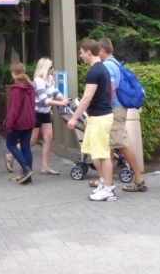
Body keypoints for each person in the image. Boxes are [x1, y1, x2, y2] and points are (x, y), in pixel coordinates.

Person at [67, 39, 116, 202]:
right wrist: (92, 114)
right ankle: (103, 182)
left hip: (100, 118)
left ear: (89, 52)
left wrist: (74, 117)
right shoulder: (101, 69)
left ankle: (108, 189)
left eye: (81, 52)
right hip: (97, 116)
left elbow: (87, 98)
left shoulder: (94, 72)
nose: (80, 56)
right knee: (92, 151)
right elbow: (111, 90)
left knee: (102, 154)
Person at [97, 38, 148, 192]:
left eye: (97, 52)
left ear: (102, 51)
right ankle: (105, 179)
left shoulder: (107, 65)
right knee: (112, 145)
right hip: (119, 107)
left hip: (115, 108)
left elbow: (111, 88)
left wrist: (107, 106)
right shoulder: (116, 63)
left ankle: (139, 180)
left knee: (122, 144)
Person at [4, 62, 36, 184]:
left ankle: (25, 168)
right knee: (26, 147)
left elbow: (14, 109)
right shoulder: (30, 87)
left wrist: (9, 124)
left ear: (14, 73)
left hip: (18, 122)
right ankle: (29, 175)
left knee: (10, 144)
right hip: (30, 121)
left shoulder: (17, 88)